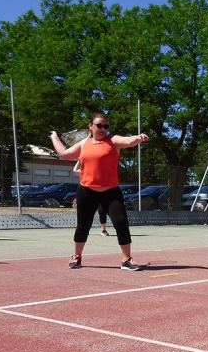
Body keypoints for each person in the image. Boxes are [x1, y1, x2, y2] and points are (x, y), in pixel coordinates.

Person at [49, 113, 148, 270]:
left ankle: (126, 260)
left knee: (121, 223)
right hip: (86, 191)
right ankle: (76, 257)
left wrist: (139, 138)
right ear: (91, 126)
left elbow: (128, 141)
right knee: (83, 226)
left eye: (106, 126)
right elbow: (64, 154)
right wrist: (54, 137)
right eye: (99, 125)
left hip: (111, 191)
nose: (103, 129)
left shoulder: (113, 141)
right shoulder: (83, 144)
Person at [73, 160, 109, 236]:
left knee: (102, 210)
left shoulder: (101, 171)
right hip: (88, 193)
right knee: (87, 212)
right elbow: (75, 169)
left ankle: (103, 230)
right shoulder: (86, 172)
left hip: (101, 192)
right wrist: (80, 160)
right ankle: (84, 229)